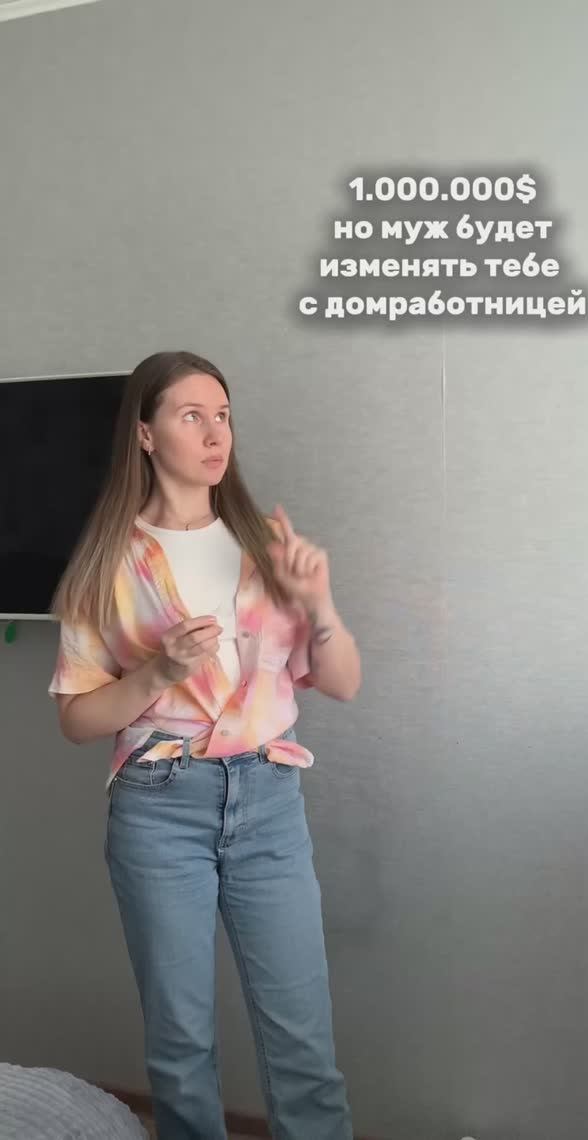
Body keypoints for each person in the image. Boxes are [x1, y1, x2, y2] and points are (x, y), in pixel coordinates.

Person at [48, 350, 361, 1140]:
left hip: (269, 802)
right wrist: (158, 671)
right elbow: (78, 719)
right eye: (192, 416)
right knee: (181, 1043)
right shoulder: (107, 562)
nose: (215, 433)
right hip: (159, 810)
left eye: (222, 415)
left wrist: (321, 604)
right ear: (146, 434)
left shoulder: (266, 545)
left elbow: (343, 681)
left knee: (304, 1042)